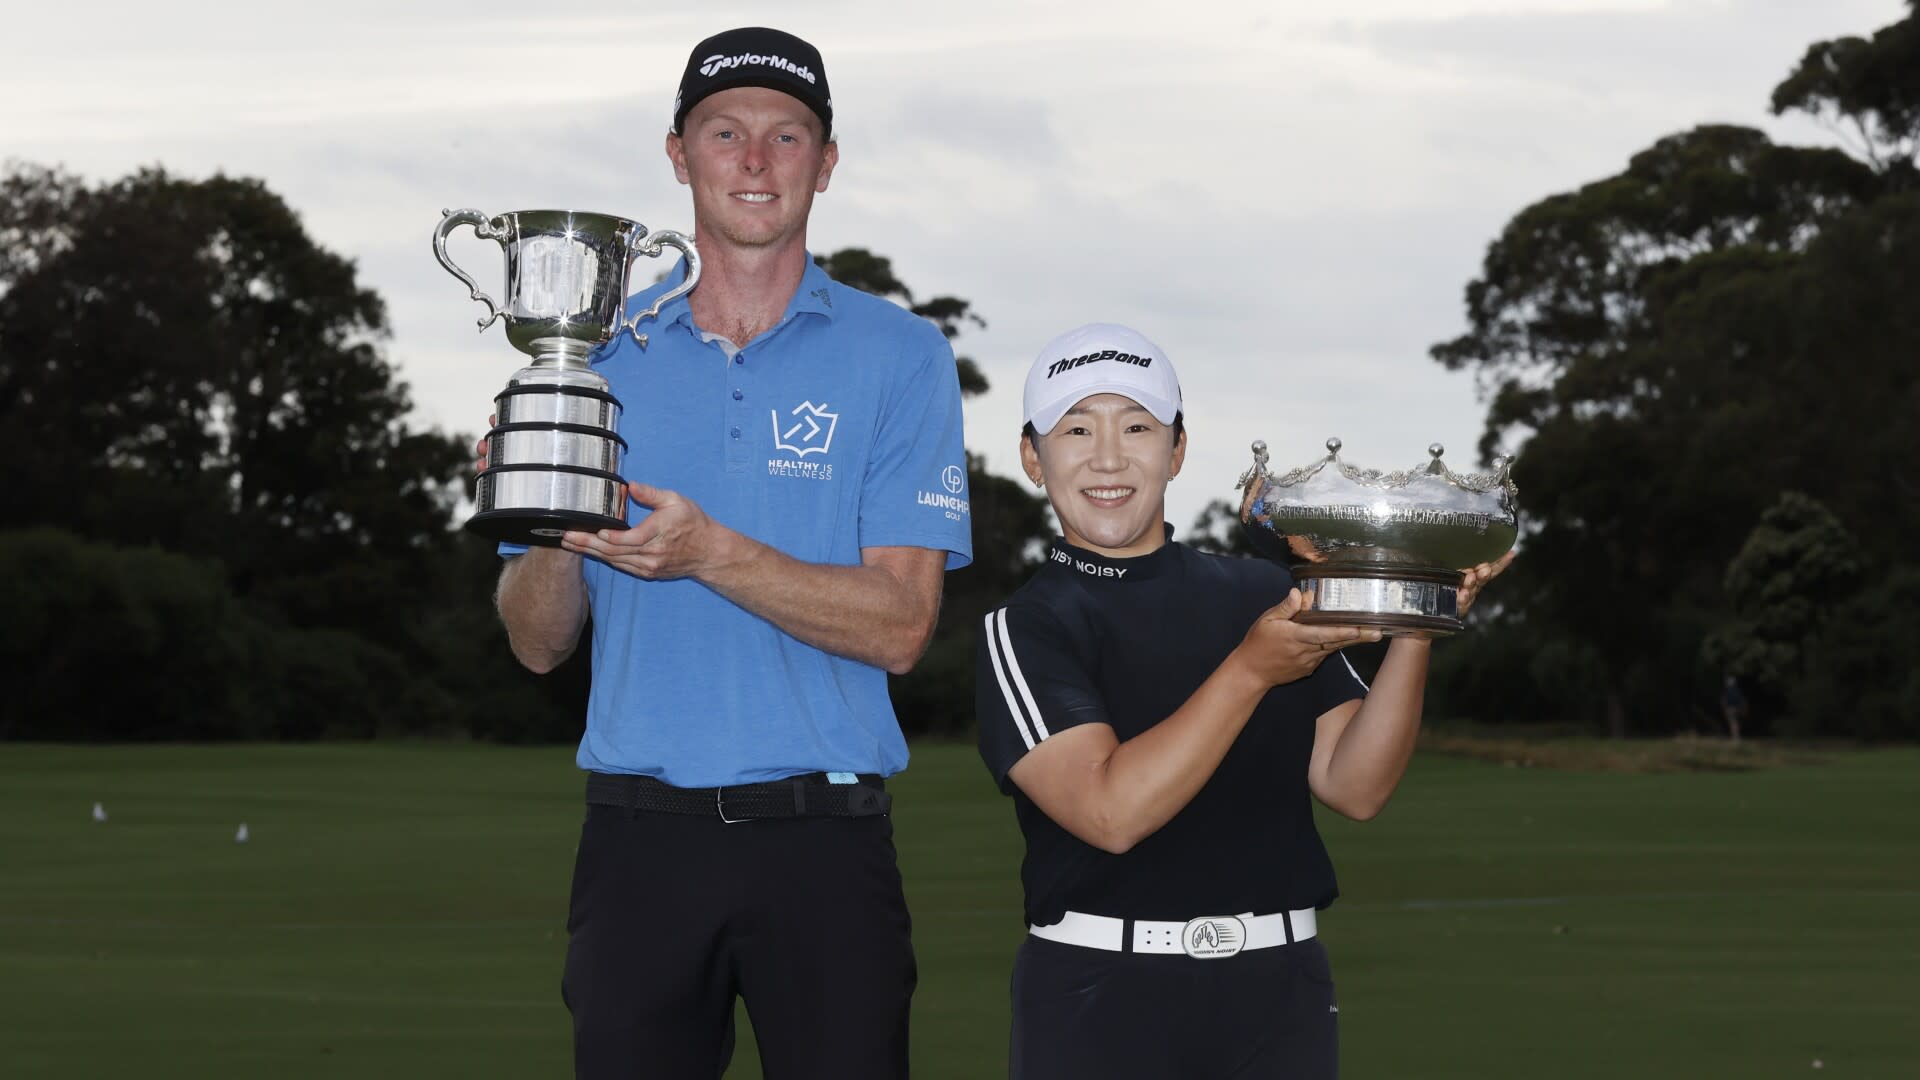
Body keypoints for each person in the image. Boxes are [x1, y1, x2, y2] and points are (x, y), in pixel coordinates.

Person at [490, 27, 972, 1079]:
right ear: (678, 155)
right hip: (638, 841)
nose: (755, 161)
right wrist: (559, 525)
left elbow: (901, 627)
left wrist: (710, 551)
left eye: (786, 135)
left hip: (826, 840)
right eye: (726, 132)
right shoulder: (598, 350)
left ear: (825, 163)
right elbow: (535, 644)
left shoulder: (900, 354)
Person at [975, 323, 1511, 1079]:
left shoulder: (1262, 592)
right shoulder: (1028, 627)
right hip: (1101, 994)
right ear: (1034, 456)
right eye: (1075, 429)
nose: (1107, 456)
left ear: (1178, 450)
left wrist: (1420, 622)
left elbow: (1355, 786)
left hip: (1279, 987)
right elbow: (1110, 814)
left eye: (1137, 426)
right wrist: (1250, 672)